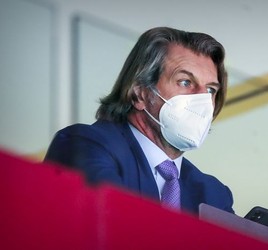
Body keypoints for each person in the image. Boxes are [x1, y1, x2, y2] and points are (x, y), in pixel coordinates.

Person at [44, 26, 234, 215]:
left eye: (210, 90)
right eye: (185, 82)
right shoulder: (85, 145)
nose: (201, 100)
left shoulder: (213, 195)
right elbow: (115, 229)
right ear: (140, 93)